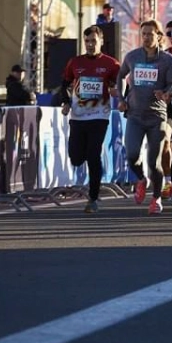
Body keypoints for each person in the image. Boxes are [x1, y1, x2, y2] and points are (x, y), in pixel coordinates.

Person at [117, 20, 172, 214]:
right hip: (135, 114)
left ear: (159, 36)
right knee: (132, 154)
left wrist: (166, 93)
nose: (146, 37)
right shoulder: (132, 56)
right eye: (143, 34)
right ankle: (141, 180)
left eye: (150, 34)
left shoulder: (167, 60)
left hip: (157, 116)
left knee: (154, 162)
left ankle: (157, 198)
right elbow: (120, 76)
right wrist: (121, 98)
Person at [59, 26, 120, 213]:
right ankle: (86, 155)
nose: (90, 45)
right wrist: (66, 102)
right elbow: (64, 84)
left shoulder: (112, 64)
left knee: (93, 155)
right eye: (87, 41)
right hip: (77, 117)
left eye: (94, 41)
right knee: (76, 158)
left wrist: (117, 92)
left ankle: (93, 198)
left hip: (99, 116)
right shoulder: (75, 62)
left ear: (101, 41)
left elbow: (120, 85)